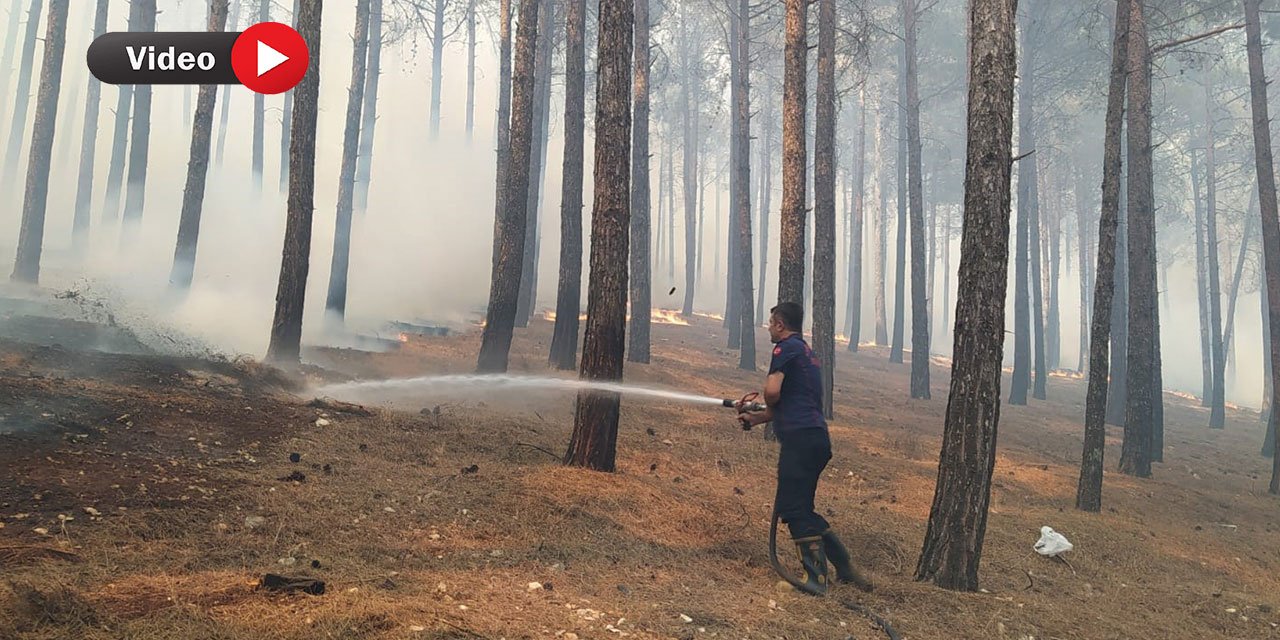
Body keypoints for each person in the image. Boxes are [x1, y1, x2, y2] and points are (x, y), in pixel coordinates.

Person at [737, 302, 872, 595]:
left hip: (799, 441)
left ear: (781, 325)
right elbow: (782, 406)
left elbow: (773, 393)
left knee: (794, 510)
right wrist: (755, 417)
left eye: (771, 323)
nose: (769, 328)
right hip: (816, 439)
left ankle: (816, 580)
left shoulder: (784, 350)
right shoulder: (807, 354)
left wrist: (766, 400)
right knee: (803, 508)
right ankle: (845, 568)